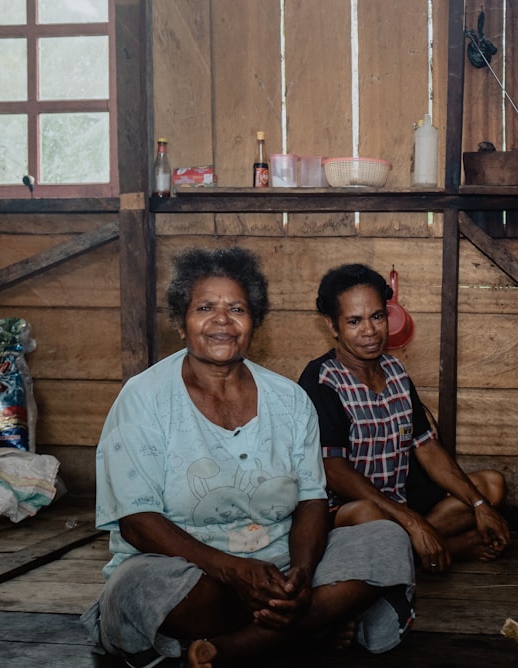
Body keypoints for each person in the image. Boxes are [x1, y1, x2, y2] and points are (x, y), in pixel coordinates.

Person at [81, 248, 415, 668]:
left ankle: (235, 647)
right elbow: (136, 521)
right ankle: (308, 625)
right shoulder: (143, 398)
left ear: (253, 321)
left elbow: (312, 499)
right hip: (189, 572)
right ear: (181, 324)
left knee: (385, 539)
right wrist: (232, 571)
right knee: (137, 586)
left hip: (280, 567)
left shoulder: (289, 399)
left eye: (236, 308)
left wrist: (303, 575)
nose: (222, 320)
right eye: (205, 308)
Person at [298, 263, 511, 575]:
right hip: (348, 513)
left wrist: (480, 506)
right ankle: (447, 548)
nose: (369, 331)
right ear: (333, 326)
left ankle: (417, 548)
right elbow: (333, 470)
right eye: (354, 321)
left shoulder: (396, 372)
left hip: (399, 505)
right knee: (369, 516)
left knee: (491, 486)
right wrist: (412, 522)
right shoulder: (322, 379)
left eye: (377, 316)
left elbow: (426, 447)